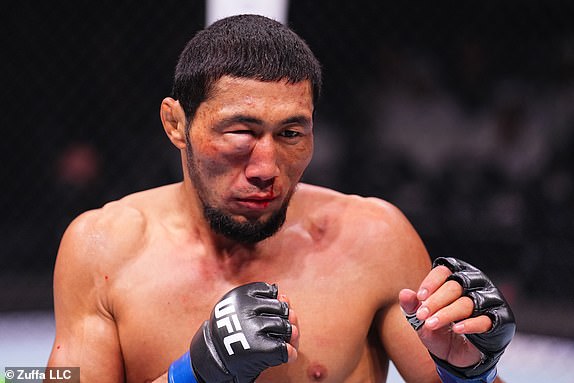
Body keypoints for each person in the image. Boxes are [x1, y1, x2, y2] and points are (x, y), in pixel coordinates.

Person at [47, 14, 515, 383]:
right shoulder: (102, 248)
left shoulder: (375, 239)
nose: (266, 169)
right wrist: (193, 375)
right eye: (240, 132)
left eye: (291, 133)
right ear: (176, 124)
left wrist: (470, 375)